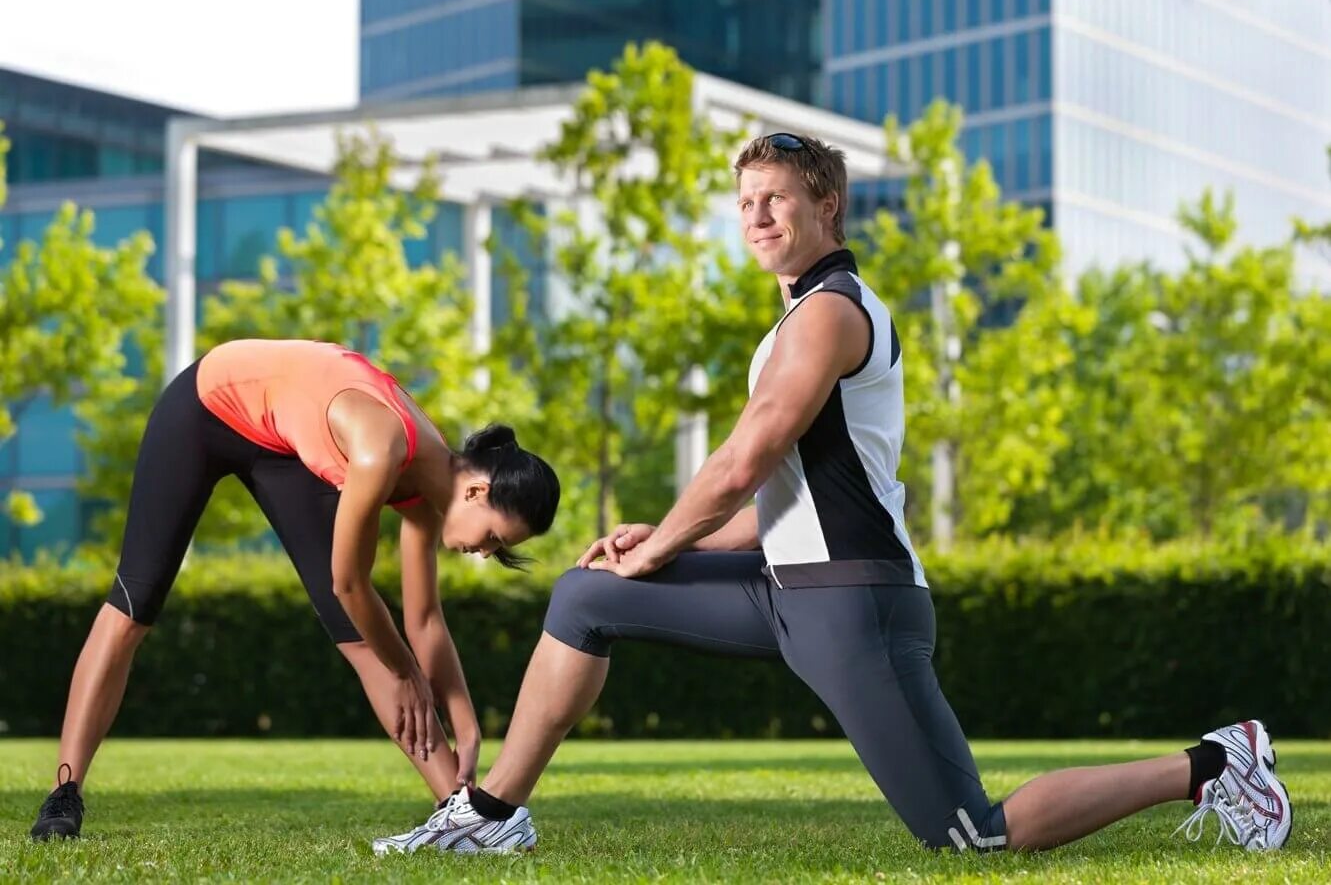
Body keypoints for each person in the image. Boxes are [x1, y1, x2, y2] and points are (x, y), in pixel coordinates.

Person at [371, 133, 1292, 857]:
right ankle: (491, 812)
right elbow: (778, 499)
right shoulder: (794, 319)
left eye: (775, 199)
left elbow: (747, 455)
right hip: (786, 588)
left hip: (856, 603)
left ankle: (1217, 764)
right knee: (583, 597)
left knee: (969, 834)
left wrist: (663, 551)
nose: (758, 216)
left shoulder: (831, 311)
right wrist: (673, 539)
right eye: (745, 203)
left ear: (826, 204)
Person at [29, 338, 560, 841]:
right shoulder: (381, 451)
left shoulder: (429, 491)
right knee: (135, 603)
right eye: (493, 537)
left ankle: (460, 815)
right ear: (476, 490)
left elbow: (424, 621)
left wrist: (465, 726)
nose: (485, 551)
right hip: (206, 405)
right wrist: (406, 671)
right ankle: (63, 792)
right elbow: (348, 583)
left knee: (363, 637)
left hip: (278, 442)